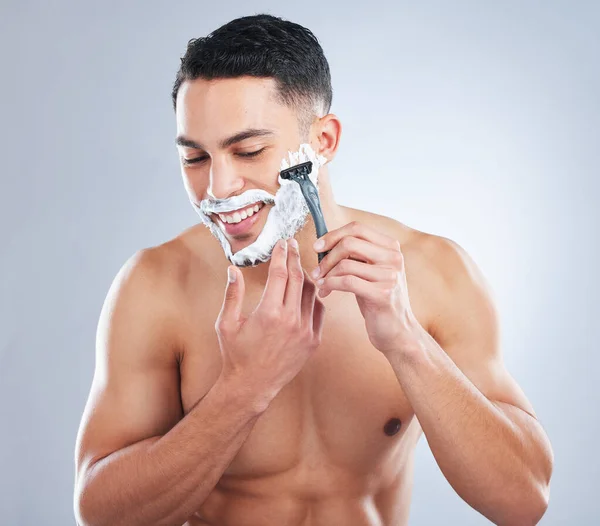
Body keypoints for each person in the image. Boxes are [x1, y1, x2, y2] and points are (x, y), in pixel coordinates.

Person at [73, 13, 553, 526]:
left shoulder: (432, 272)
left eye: (248, 150)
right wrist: (243, 390)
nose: (218, 186)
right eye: (195, 158)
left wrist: (407, 342)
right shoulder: (156, 286)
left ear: (323, 141)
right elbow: (101, 516)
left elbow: (523, 501)